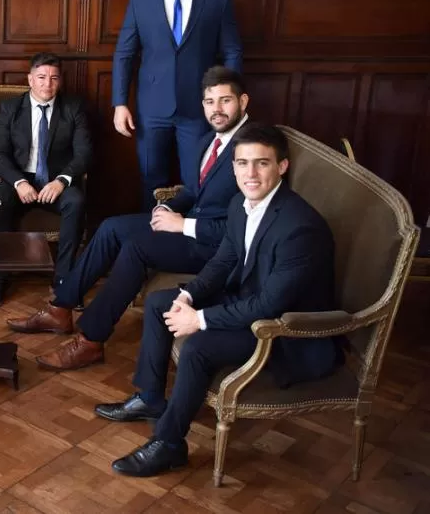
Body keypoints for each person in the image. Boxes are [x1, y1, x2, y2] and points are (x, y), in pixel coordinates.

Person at [98, 123, 343, 478]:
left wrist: (199, 320)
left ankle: (169, 445)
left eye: (262, 163)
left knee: (199, 346)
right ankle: (151, 398)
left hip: (285, 330)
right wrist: (188, 294)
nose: (251, 174)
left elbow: (269, 307)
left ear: (282, 167)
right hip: (248, 299)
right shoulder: (240, 204)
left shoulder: (300, 228)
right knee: (159, 302)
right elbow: (224, 261)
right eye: (242, 163)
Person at [9, 66, 249, 371]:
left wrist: (183, 224)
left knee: (136, 247)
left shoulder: (251, 150)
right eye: (209, 102)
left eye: (225, 101)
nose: (216, 109)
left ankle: (90, 341)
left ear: (243, 101)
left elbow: (243, 227)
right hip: (189, 225)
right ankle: (60, 308)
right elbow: (194, 189)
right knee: (111, 227)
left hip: (216, 247)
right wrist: (166, 208)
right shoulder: (210, 140)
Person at [112, 0, 244, 209]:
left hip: (199, 108)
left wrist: (229, 98)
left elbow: (232, 50)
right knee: (150, 178)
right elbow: (124, 53)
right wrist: (120, 103)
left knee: (197, 181)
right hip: (151, 110)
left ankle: (188, 242)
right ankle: (148, 241)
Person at [0, 52, 93, 309]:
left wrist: (62, 180)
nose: (48, 84)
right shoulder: (11, 108)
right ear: (30, 79)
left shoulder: (73, 108)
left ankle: (64, 281)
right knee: (0, 198)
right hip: (19, 180)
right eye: (42, 77)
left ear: (60, 81)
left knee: (76, 202)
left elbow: (84, 153)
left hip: (55, 181)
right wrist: (18, 183)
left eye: (54, 78)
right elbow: (0, 154)